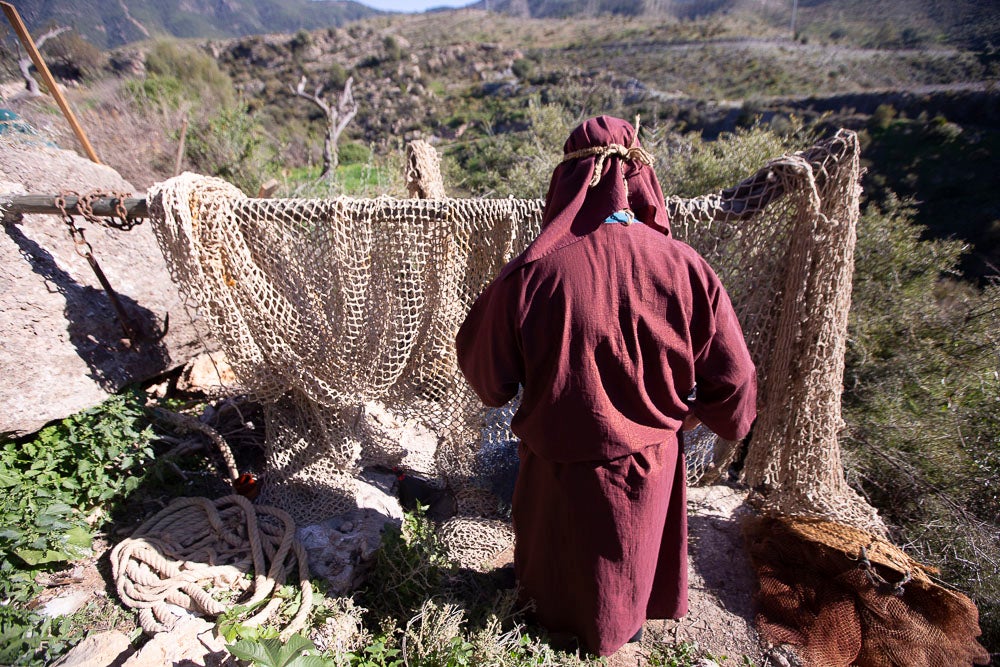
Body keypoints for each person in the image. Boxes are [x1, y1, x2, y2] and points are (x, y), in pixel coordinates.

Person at [455, 116, 757, 656]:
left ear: (568, 182)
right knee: (629, 571)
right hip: (651, 468)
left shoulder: (530, 275)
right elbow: (734, 380)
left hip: (558, 474)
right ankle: (629, 624)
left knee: (555, 577)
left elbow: (485, 375)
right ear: (636, 177)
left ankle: (550, 631)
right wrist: (698, 418)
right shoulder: (687, 268)